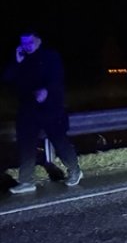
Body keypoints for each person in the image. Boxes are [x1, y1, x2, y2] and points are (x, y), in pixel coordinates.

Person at [4, 30, 83, 194]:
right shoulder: (21, 59)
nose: (27, 46)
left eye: (30, 42)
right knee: (26, 145)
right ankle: (26, 181)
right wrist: (17, 62)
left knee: (59, 140)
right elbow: (7, 78)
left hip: (50, 107)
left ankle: (75, 170)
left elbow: (57, 77)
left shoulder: (50, 56)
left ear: (39, 41)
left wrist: (46, 90)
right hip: (27, 108)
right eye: (24, 43)